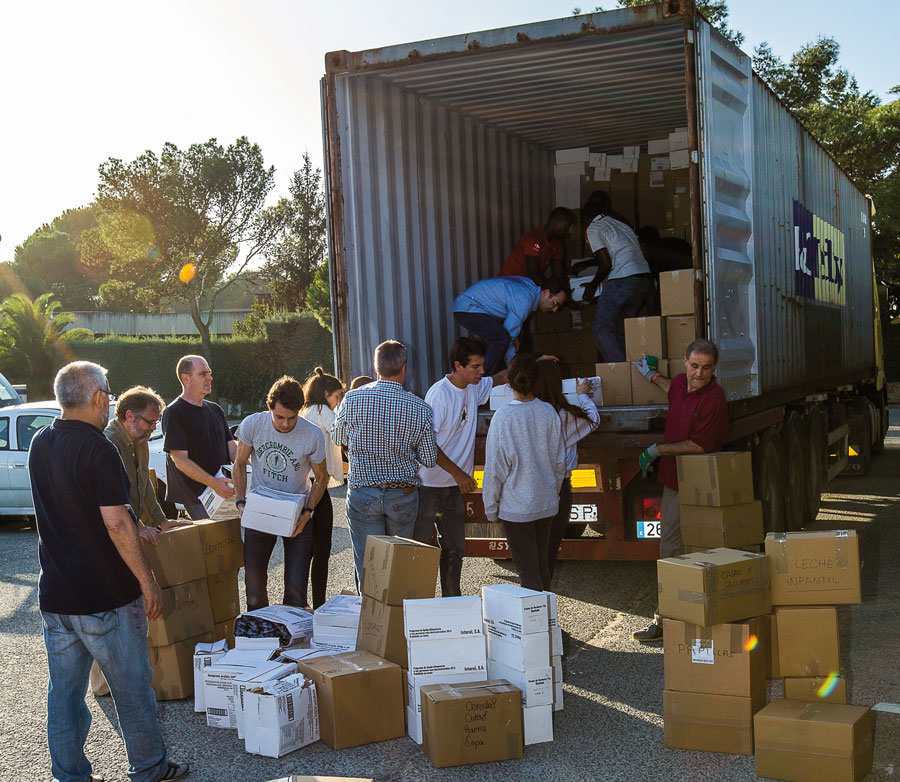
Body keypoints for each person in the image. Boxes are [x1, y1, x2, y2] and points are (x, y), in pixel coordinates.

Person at [29, 361, 189, 782]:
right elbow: (117, 522)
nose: (110, 401)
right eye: (109, 393)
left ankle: (70, 775)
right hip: (105, 597)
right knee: (132, 689)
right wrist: (147, 582)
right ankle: (149, 770)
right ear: (98, 397)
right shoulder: (99, 448)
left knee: (64, 694)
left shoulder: (40, 442)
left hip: (57, 595)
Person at [91, 386, 190, 698]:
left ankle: (128, 676)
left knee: (127, 606)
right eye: (150, 422)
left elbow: (144, 484)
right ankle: (103, 684)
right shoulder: (107, 443)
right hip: (111, 534)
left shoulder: (140, 441)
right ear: (128, 416)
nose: (153, 428)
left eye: (155, 423)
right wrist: (136, 526)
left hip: (132, 529)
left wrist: (159, 520)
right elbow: (110, 498)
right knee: (107, 609)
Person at [630, 338, 729, 642]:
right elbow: (668, 385)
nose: (699, 373)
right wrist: (651, 374)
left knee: (694, 550)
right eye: (694, 365)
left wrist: (657, 450)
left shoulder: (714, 399)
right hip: (672, 482)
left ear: (714, 368)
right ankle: (667, 617)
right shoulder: (680, 385)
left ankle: (687, 617)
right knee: (670, 550)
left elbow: (699, 445)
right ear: (685, 362)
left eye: (706, 368)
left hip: (698, 485)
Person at [332, 340, 438, 586]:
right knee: (398, 567)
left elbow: (337, 437)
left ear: (375, 367)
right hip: (402, 495)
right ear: (404, 368)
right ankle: (397, 620)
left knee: (369, 568)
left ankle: (372, 621)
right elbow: (430, 459)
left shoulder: (353, 399)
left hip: (363, 494)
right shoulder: (420, 408)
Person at [413, 337, 507, 596]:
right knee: (420, 549)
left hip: (453, 487)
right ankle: (417, 603)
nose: (482, 372)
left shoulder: (474, 387)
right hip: (429, 486)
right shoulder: (439, 395)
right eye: (475, 366)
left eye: (482, 365)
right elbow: (426, 444)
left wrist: (530, 364)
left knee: (455, 549)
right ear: (458, 365)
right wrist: (458, 473)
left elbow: (499, 379)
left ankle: (451, 602)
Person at [233, 376, 329, 611]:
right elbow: (239, 463)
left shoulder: (312, 434)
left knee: (296, 591)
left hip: (296, 511)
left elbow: (322, 477)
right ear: (269, 408)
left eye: (292, 418)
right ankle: (260, 637)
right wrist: (241, 501)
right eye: (279, 417)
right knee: (254, 585)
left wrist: (308, 513)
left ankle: (291, 640)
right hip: (260, 509)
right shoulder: (253, 424)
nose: (285, 424)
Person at [482, 353, 566, 591]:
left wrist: (491, 507)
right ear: (536, 380)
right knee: (541, 569)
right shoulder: (548, 412)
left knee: (528, 575)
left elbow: (495, 469)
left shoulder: (503, 417)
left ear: (508, 383)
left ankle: (539, 626)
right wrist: (554, 493)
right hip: (546, 503)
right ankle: (548, 625)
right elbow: (559, 462)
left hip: (517, 509)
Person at [533, 359, 600, 578]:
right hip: (560, 488)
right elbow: (593, 419)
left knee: (534, 548)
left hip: (532, 486)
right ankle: (543, 594)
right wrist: (582, 395)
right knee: (550, 548)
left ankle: (532, 594)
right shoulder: (566, 415)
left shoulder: (529, 414)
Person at [575, 192, 652, 362]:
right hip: (642, 279)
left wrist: (592, 285)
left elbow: (606, 263)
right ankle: (634, 368)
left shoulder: (593, 228)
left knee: (601, 327)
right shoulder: (620, 224)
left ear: (586, 218)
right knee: (621, 328)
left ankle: (621, 371)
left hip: (623, 279)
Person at [162, 355, 236, 520]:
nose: (210, 377)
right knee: (214, 543)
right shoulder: (174, 412)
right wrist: (213, 483)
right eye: (203, 374)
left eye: (209, 373)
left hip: (223, 490)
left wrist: (249, 470)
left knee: (231, 542)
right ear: (186, 379)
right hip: (197, 497)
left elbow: (232, 448)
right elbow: (180, 460)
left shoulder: (215, 409)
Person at [452, 276, 567, 375]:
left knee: (506, 339)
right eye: (555, 303)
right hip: (468, 307)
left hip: (469, 305)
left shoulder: (529, 286)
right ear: (546, 293)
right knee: (502, 339)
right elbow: (507, 338)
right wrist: (515, 368)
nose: (555, 309)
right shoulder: (525, 301)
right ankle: (484, 381)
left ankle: (492, 375)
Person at [301, 368, 346, 608]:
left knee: (305, 548)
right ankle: (318, 602)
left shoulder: (306, 411)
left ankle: (299, 599)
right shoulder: (324, 412)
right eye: (337, 396)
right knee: (322, 549)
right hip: (318, 484)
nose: (339, 401)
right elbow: (343, 435)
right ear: (326, 393)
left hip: (305, 482)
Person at [499, 208, 576, 283]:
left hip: (525, 285)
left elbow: (558, 274)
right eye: (568, 226)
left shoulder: (558, 243)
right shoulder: (533, 238)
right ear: (556, 222)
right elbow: (534, 276)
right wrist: (550, 286)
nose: (568, 232)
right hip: (507, 285)